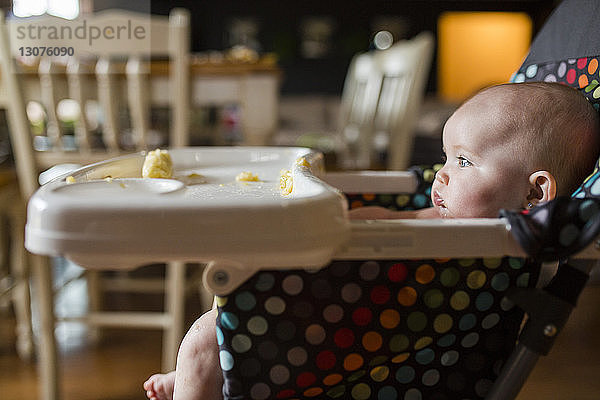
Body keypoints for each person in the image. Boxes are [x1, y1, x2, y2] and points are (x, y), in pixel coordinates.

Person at [143, 82, 600, 400]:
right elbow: (387, 215)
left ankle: (196, 378)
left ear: (534, 194)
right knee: (209, 337)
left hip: (373, 353)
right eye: (445, 156)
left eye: (464, 162)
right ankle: (195, 380)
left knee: (206, 338)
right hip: (342, 329)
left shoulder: (488, 247)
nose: (439, 174)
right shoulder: (446, 215)